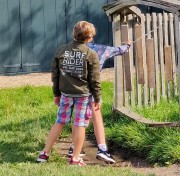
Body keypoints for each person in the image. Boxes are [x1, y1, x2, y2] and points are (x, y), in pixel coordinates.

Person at [37, 21, 102, 166]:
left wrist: (56, 94)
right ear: (89, 37)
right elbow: (95, 80)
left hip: (65, 94)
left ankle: (44, 153)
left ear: (74, 34)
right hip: (83, 96)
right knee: (80, 124)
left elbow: (55, 75)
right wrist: (97, 98)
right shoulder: (91, 54)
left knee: (59, 122)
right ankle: (75, 158)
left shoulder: (61, 50)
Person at [68, 41, 132, 164]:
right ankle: (102, 149)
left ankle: (74, 147)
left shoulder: (71, 49)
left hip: (76, 90)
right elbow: (118, 50)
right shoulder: (99, 49)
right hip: (92, 89)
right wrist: (127, 46)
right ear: (91, 36)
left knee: (78, 118)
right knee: (96, 116)